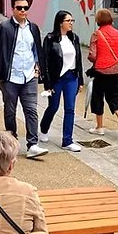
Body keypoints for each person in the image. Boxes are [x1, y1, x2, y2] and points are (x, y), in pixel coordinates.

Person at [0, 0, 48, 159]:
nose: (23, 11)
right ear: (13, 9)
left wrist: (37, 66)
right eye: (19, 8)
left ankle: (33, 144)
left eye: (26, 8)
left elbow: (36, 49)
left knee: (31, 110)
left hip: (29, 76)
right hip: (10, 77)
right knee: (10, 110)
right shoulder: (3, 27)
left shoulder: (33, 28)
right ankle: (12, 142)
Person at [39, 11, 84, 152]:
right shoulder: (50, 39)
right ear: (60, 22)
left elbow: (79, 60)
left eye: (72, 20)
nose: (71, 23)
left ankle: (67, 140)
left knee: (70, 109)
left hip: (72, 77)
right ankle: (44, 128)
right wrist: (47, 84)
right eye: (68, 20)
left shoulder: (74, 38)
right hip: (56, 78)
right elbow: (45, 62)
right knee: (53, 106)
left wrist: (80, 80)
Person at [87, 9, 118, 138]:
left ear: (98, 20)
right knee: (114, 97)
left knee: (98, 98)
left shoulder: (96, 34)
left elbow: (93, 55)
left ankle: (99, 127)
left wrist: (92, 59)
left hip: (101, 70)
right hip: (115, 70)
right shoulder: (117, 33)